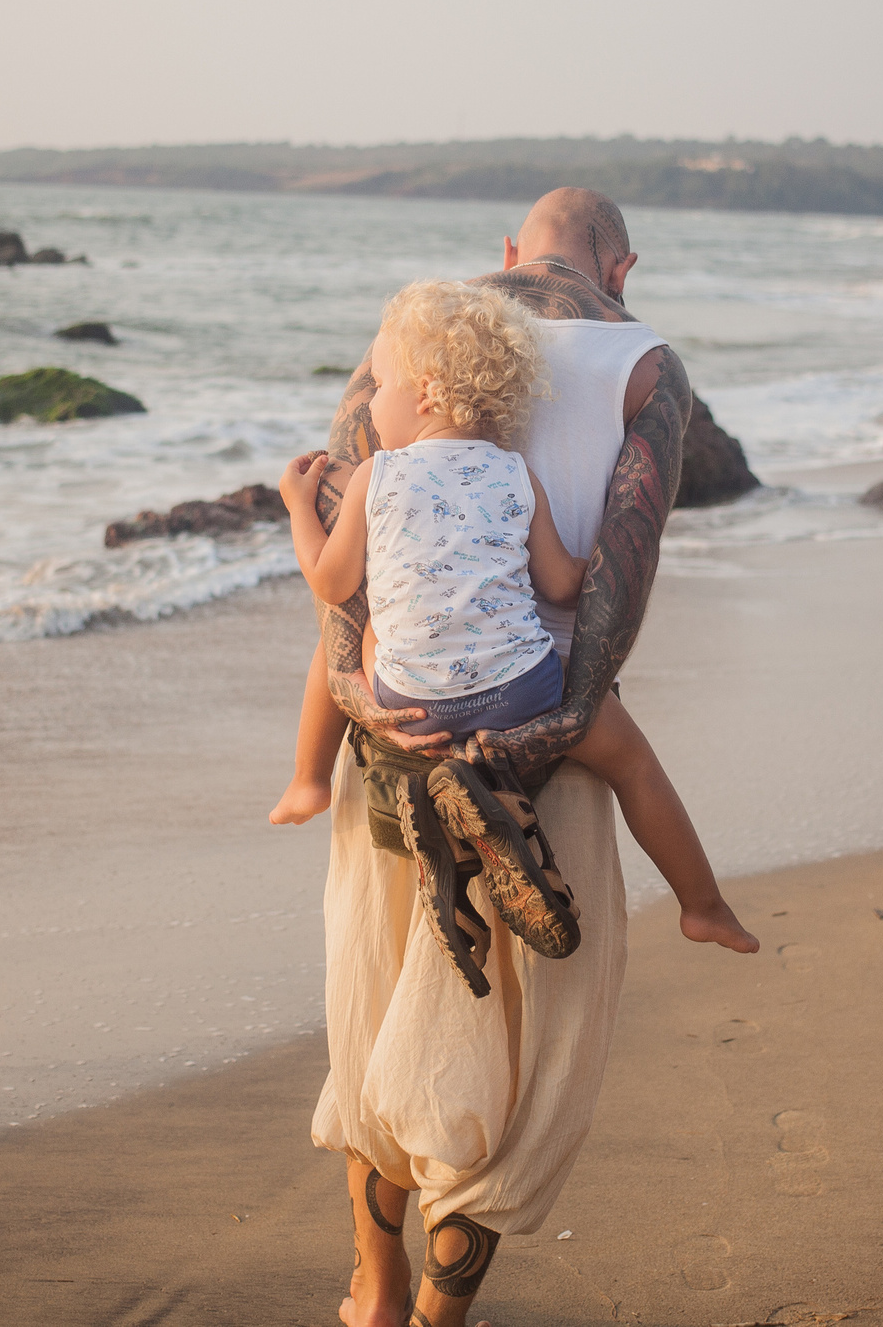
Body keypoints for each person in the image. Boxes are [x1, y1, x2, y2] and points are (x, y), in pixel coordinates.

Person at [290, 189, 735, 1327]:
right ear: (620, 268)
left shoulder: (408, 336)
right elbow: (612, 575)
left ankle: (375, 1286)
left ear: (506, 254)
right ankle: (446, 1305)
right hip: (545, 756)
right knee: (512, 1057)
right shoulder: (647, 369)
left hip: (396, 741)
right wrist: (556, 721)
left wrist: (357, 704)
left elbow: (344, 582)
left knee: (378, 1016)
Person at [272, 278, 750, 967]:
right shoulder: (517, 474)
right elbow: (560, 583)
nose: (370, 401)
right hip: (523, 690)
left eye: (379, 384)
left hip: (414, 702)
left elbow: (330, 581)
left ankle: (310, 780)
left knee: (352, 630)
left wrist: (296, 504)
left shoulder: (377, 476)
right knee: (634, 763)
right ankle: (703, 905)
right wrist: (612, 547)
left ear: (428, 393)